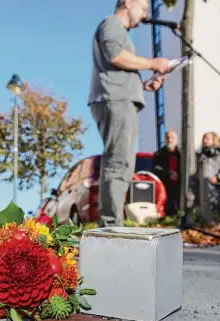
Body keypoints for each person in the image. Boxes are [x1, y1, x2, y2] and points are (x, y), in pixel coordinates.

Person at [88, 0, 171, 227]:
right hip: (116, 100)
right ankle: (110, 225)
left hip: (120, 98)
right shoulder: (112, 23)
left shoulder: (117, 29)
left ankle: (111, 223)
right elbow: (116, 56)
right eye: (143, 8)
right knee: (118, 161)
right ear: (127, 2)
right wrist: (153, 63)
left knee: (122, 161)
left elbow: (119, 67)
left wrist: (144, 85)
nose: (145, 15)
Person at [194, 132, 220, 218]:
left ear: (214, 140)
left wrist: (218, 178)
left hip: (219, 190)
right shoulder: (199, 155)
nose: (205, 141)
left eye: (208, 138)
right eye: (204, 138)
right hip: (205, 190)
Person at [152, 130, 181, 216]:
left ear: (177, 139)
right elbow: (156, 168)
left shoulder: (181, 153)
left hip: (179, 183)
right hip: (165, 184)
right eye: (167, 138)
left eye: (172, 138)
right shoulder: (159, 154)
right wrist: (168, 173)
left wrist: (177, 174)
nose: (170, 140)